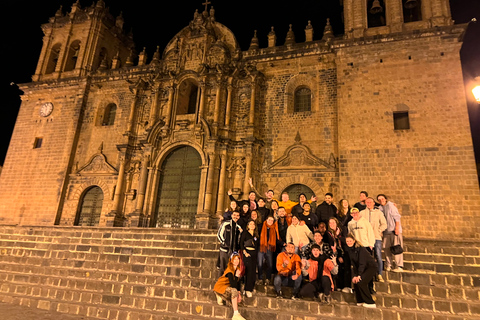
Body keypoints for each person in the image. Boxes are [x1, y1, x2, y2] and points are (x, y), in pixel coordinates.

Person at [345, 233, 377, 308]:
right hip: (361, 268)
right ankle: (360, 300)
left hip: (370, 267)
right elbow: (353, 265)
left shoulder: (360, 249)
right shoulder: (350, 251)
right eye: (347, 241)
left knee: (361, 282)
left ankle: (370, 302)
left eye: (350, 241)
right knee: (356, 282)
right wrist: (354, 276)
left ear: (354, 241)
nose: (348, 243)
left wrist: (359, 275)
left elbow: (362, 263)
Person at [360, 197, 387, 282]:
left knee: (378, 255)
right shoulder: (362, 213)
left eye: (370, 202)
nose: (368, 204)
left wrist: (379, 231)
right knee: (366, 256)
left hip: (376, 237)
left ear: (373, 203)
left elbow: (384, 224)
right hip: (366, 239)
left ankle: (379, 274)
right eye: (367, 202)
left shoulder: (378, 213)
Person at [213, 253, 247, 320]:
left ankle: (223, 298)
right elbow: (233, 285)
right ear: (231, 260)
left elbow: (238, 283)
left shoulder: (237, 269)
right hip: (220, 287)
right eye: (235, 259)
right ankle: (236, 314)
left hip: (227, 288)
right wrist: (237, 276)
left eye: (238, 259)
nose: (237, 261)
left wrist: (239, 294)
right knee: (234, 291)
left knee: (240, 302)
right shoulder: (229, 270)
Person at [377, 194, 404, 272]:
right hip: (386, 231)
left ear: (385, 199)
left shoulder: (391, 205)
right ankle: (389, 264)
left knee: (397, 247)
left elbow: (397, 217)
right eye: (379, 199)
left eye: (382, 198)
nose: (381, 200)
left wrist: (397, 228)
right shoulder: (380, 208)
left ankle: (399, 266)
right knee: (386, 248)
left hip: (394, 230)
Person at [217, 211, 243, 276]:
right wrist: (224, 243)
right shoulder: (225, 224)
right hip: (224, 250)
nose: (235, 217)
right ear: (231, 216)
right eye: (234, 215)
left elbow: (239, 240)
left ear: (239, 217)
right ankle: (220, 284)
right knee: (222, 268)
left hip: (233, 251)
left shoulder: (238, 227)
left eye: (237, 215)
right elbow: (219, 234)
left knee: (231, 268)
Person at [240, 219, 259, 298]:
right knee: (248, 271)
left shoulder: (256, 235)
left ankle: (249, 288)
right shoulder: (245, 233)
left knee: (252, 271)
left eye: (253, 224)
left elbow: (257, 245)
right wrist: (245, 253)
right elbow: (241, 243)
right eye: (250, 224)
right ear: (248, 225)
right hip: (247, 253)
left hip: (254, 254)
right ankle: (246, 289)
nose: (252, 225)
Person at [258, 215, 280, 285]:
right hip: (261, 247)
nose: (270, 221)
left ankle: (268, 278)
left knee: (270, 264)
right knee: (260, 264)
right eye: (269, 220)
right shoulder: (261, 226)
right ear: (266, 220)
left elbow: (276, 239)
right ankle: (260, 278)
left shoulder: (274, 228)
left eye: (272, 220)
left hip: (269, 248)